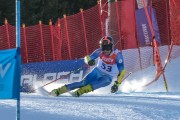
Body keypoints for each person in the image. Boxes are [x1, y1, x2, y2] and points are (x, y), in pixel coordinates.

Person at [50, 36, 126, 97]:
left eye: (107, 48)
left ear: (111, 47)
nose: (105, 51)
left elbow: (122, 71)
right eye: (103, 48)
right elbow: (87, 57)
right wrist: (89, 61)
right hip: (97, 71)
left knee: (101, 82)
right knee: (82, 83)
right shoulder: (99, 51)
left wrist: (117, 84)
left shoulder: (117, 55)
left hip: (108, 77)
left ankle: (80, 92)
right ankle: (59, 91)